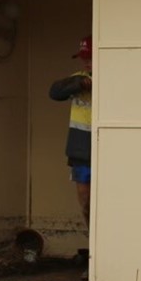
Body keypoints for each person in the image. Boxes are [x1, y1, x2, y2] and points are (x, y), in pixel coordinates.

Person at [48, 37, 92, 248]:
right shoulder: (78, 79)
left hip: (108, 149)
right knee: (85, 202)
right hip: (81, 152)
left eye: (90, 57)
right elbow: (55, 92)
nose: (87, 63)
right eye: (84, 58)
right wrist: (80, 84)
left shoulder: (114, 79)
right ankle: (93, 248)